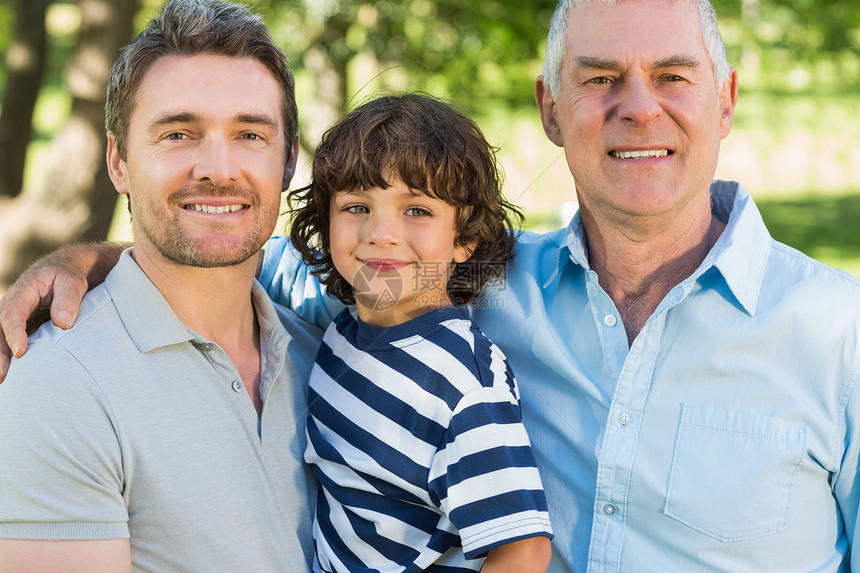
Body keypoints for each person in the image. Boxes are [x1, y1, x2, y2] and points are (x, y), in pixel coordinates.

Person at [3, 0, 860, 571]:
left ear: (727, 100)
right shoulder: (450, 286)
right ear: (551, 108)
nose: (638, 107)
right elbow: (220, 245)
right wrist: (92, 260)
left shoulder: (837, 332)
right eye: (599, 78)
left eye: (673, 76)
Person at [0, 0, 322, 570]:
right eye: (178, 133)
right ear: (118, 161)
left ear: (289, 160)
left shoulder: (325, 355)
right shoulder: (60, 384)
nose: (218, 168)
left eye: (250, 134)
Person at [289, 93, 553, 572]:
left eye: (417, 211)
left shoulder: (464, 384)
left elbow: (523, 550)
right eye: (355, 206)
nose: (380, 232)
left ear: (465, 239)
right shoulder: (343, 332)